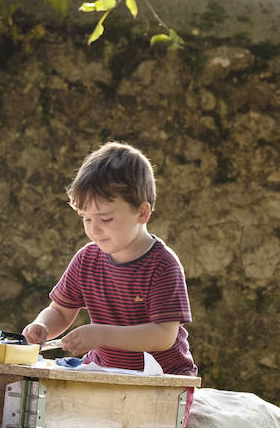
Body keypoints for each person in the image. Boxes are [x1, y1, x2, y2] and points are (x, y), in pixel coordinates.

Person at [22, 141, 197, 377]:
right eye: (86, 219)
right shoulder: (86, 260)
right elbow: (61, 311)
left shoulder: (163, 265)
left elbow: (164, 335)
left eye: (105, 219)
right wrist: (41, 326)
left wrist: (102, 334)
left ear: (142, 213)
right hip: (104, 372)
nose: (94, 230)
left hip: (164, 380)